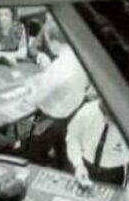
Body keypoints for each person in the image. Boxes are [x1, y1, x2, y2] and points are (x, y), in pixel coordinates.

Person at [23, 21, 88, 168]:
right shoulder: (80, 55)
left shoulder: (59, 66)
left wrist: (30, 88)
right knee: (63, 153)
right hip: (73, 113)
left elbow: (36, 98)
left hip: (53, 120)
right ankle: (61, 168)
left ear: (54, 42)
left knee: (34, 154)